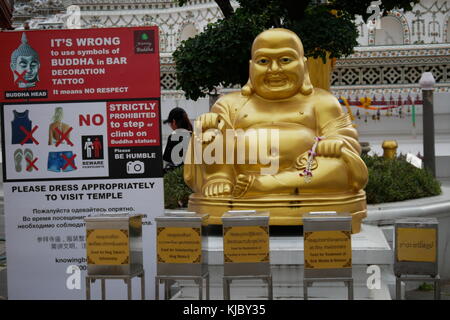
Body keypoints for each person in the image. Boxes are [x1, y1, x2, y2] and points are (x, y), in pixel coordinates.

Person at [183, 28, 369, 232]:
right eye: (264, 61)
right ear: (251, 67)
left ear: (303, 65)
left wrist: (335, 144)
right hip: (241, 174)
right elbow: (210, 142)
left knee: (338, 167)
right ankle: (221, 179)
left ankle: (270, 184)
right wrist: (209, 124)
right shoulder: (230, 103)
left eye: (285, 60)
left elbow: (347, 141)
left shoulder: (322, 101)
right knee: (211, 128)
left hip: (306, 172)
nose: (274, 69)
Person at [162, 107, 193, 172]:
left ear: (174, 121)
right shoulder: (194, 135)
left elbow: (167, 160)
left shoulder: (173, 137)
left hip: (178, 177)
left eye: (169, 123)